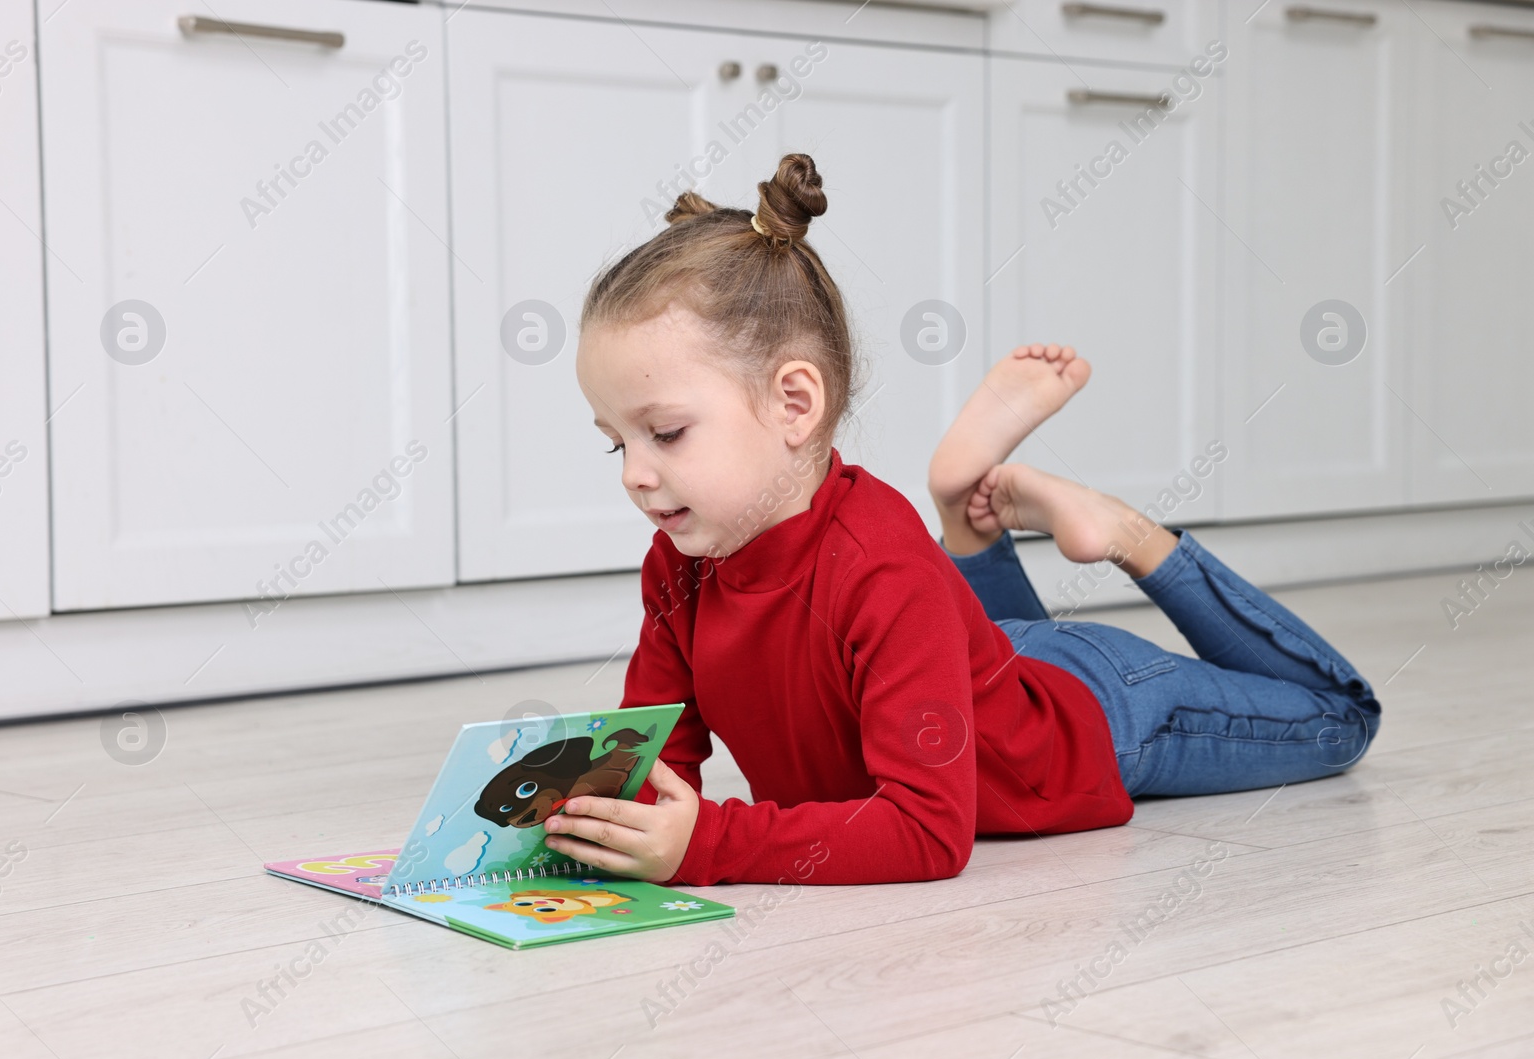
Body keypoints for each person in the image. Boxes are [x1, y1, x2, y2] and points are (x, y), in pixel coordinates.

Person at [539, 153, 1381, 886]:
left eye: (667, 433)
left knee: (1341, 716)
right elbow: (653, 752)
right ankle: (970, 517)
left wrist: (707, 841)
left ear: (795, 402)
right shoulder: (681, 559)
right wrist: (598, 820)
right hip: (966, 655)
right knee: (985, 638)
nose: (638, 475)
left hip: (1100, 709)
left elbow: (926, 830)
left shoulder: (880, 566)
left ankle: (1128, 537)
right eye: (616, 444)